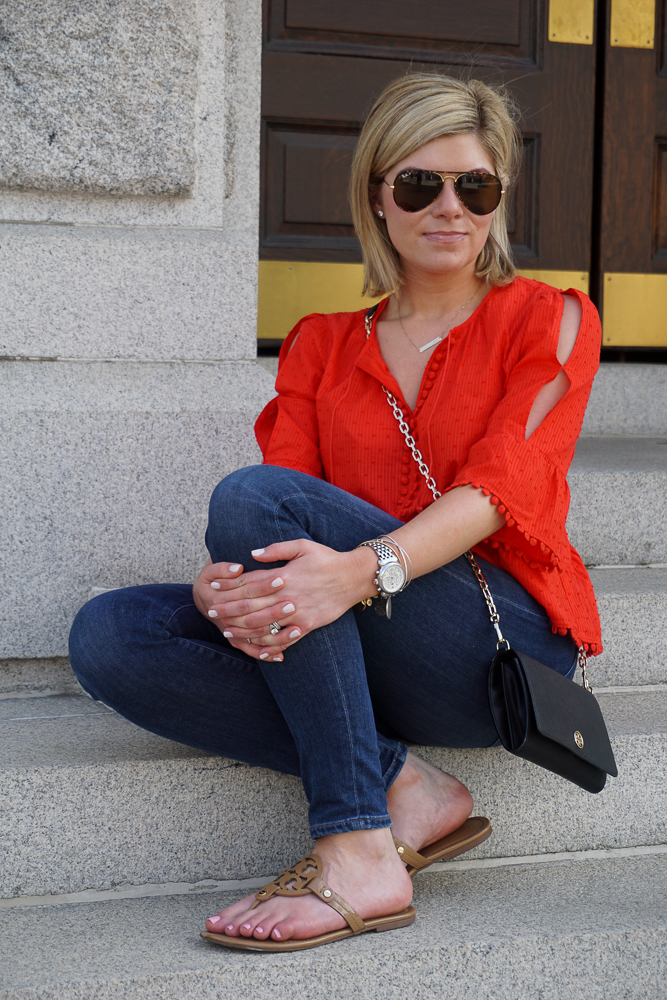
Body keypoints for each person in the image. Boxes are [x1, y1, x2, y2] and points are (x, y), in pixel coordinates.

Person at [69, 73, 602, 952]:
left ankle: (356, 844)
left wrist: (361, 569)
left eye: (475, 186)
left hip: (491, 643)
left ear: (498, 198)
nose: (448, 208)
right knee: (111, 635)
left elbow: (498, 489)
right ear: (376, 198)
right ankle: (405, 784)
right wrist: (224, 592)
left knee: (251, 497)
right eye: (418, 184)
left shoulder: (548, 321)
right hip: (353, 626)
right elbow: (284, 521)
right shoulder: (322, 344)